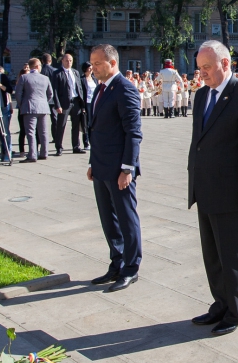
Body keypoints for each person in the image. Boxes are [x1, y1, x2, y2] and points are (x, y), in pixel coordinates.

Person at [188, 40, 238, 336]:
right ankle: (220, 303)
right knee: (212, 254)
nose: (202, 74)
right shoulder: (201, 96)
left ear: (225, 63)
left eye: (207, 68)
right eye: (199, 68)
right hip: (206, 189)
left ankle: (236, 311)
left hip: (234, 195)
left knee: (233, 255)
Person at [87, 44, 143, 293]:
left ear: (113, 63)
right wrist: (92, 162)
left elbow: (133, 133)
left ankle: (131, 268)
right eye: (92, 63)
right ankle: (116, 263)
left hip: (120, 169)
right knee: (108, 220)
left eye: (98, 63)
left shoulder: (125, 90)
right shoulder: (101, 89)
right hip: (101, 166)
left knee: (126, 219)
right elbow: (98, 129)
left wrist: (127, 169)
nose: (93, 67)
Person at [15, 58, 53, 163]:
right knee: (44, 131)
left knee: (30, 132)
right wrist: (44, 101)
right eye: (40, 65)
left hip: (29, 107)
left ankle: (32, 155)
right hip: (43, 107)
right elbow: (50, 94)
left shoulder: (24, 77)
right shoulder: (45, 78)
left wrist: (21, 104)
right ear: (36, 66)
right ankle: (44, 153)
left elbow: (18, 93)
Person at [52, 53, 86, 155]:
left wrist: (82, 104)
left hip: (76, 101)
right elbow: (55, 91)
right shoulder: (57, 73)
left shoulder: (75, 72)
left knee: (76, 125)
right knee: (61, 125)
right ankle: (59, 147)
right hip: (64, 103)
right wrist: (57, 105)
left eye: (71, 60)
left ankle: (76, 146)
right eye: (67, 60)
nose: (69, 62)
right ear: (62, 61)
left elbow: (79, 88)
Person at [40, 54, 58, 144]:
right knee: (54, 119)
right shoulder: (55, 71)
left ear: (42, 61)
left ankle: (40, 139)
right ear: (50, 61)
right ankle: (56, 137)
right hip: (53, 98)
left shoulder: (40, 71)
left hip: (41, 98)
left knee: (40, 120)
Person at [80, 61, 96, 149]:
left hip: (94, 102)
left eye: (91, 68)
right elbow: (81, 93)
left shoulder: (94, 78)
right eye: (89, 68)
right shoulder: (82, 79)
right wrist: (82, 107)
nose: (91, 70)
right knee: (86, 123)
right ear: (85, 69)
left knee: (93, 123)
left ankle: (92, 140)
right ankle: (86, 142)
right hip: (86, 103)